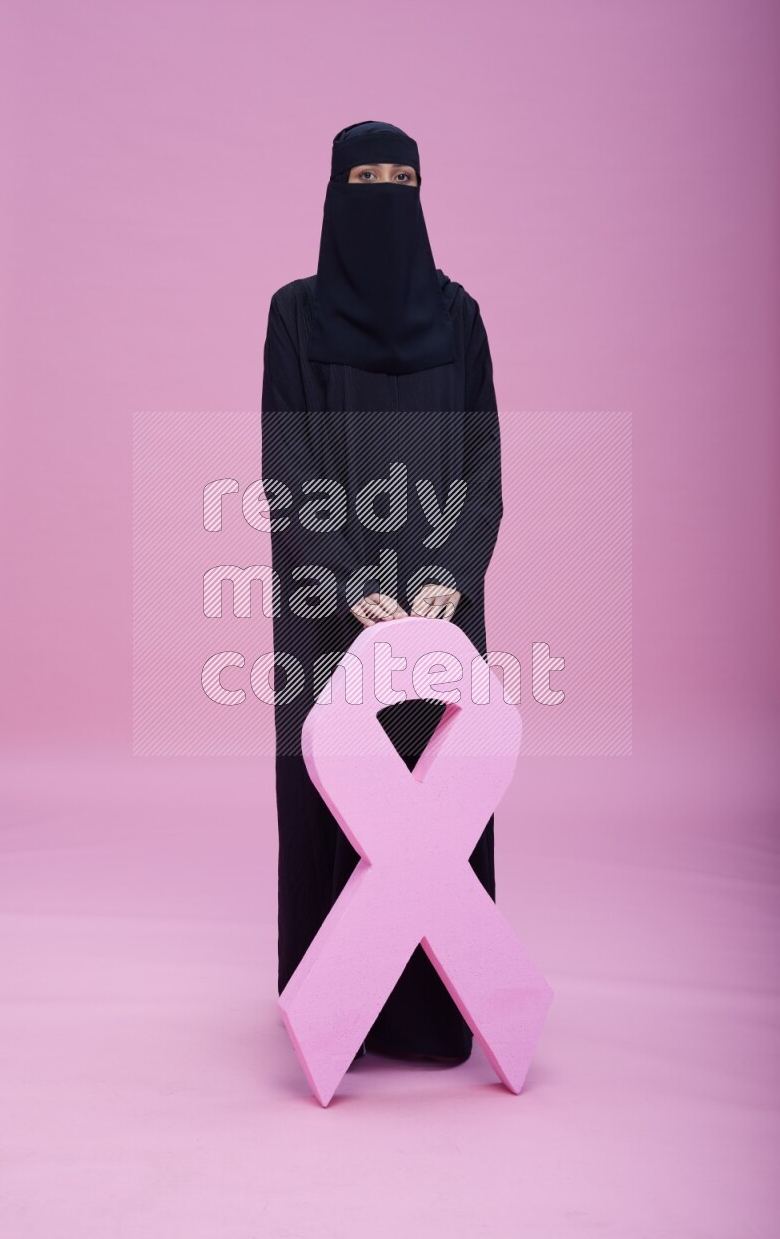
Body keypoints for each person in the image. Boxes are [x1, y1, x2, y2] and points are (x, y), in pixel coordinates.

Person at [261, 120, 503, 1063]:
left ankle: (435, 1016)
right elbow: (288, 457)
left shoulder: (462, 318)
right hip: (330, 600)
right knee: (338, 790)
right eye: (366, 177)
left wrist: (446, 573)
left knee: (439, 794)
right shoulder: (295, 316)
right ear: (332, 190)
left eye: (402, 177)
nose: (384, 194)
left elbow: (483, 457)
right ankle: (336, 1017)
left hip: (443, 602)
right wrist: (354, 577)